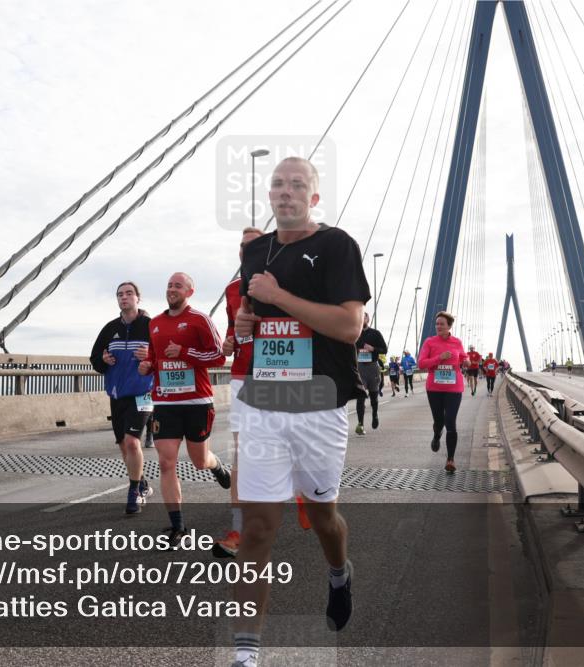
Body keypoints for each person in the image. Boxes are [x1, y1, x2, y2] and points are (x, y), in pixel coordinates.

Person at [232, 156, 369, 664]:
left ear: (313, 198)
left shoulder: (336, 245)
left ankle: (339, 573)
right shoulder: (256, 251)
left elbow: (349, 327)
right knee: (257, 528)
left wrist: (277, 296)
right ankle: (247, 654)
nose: (285, 192)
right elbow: (252, 311)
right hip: (265, 403)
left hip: (319, 404)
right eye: (277, 185)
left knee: (322, 515)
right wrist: (246, 321)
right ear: (270, 197)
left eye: (297, 186)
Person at [136, 272, 231, 545]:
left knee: (200, 461)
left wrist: (186, 353)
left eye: (178, 285)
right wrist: (147, 366)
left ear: (189, 291)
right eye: (169, 285)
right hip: (165, 402)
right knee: (166, 463)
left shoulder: (199, 320)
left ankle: (217, 466)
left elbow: (219, 356)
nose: (172, 289)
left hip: (197, 402)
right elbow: (153, 359)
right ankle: (177, 527)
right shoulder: (154, 323)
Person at [214, 226, 264, 558]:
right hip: (243, 377)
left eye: (254, 245)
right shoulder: (232, 290)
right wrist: (228, 343)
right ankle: (238, 529)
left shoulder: (283, 286)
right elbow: (231, 337)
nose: (246, 251)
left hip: (281, 379)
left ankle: (305, 491)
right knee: (241, 454)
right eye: (242, 246)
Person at [90, 281, 155, 515]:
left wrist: (151, 355)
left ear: (138, 298)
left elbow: (165, 359)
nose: (124, 297)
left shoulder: (151, 326)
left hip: (143, 393)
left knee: (132, 442)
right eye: (120, 294)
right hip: (117, 395)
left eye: (129, 293)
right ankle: (142, 482)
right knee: (123, 446)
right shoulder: (110, 329)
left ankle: (134, 492)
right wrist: (103, 361)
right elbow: (95, 359)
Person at [417, 311, 466, 473]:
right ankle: (437, 434)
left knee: (451, 422)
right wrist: (439, 358)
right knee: (439, 421)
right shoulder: (430, 342)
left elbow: (463, 357)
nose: (438, 326)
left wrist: (466, 360)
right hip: (435, 388)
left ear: (449, 326)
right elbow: (422, 364)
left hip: (454, 388)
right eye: (437, 324)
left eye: (442, 324)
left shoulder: (457, 342)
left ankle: (450, 459)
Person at [354, 313, 387, 434]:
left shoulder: (375, 333)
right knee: (360, 397)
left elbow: (385, 349)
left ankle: (375, 415)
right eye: (360, 316)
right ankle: (360, 424)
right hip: (360, 368)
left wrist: (373, 349)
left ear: (368, 319)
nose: (363, 319)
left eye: (365, 317)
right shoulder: (353, 333)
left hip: (373, 367)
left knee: (374, 396)